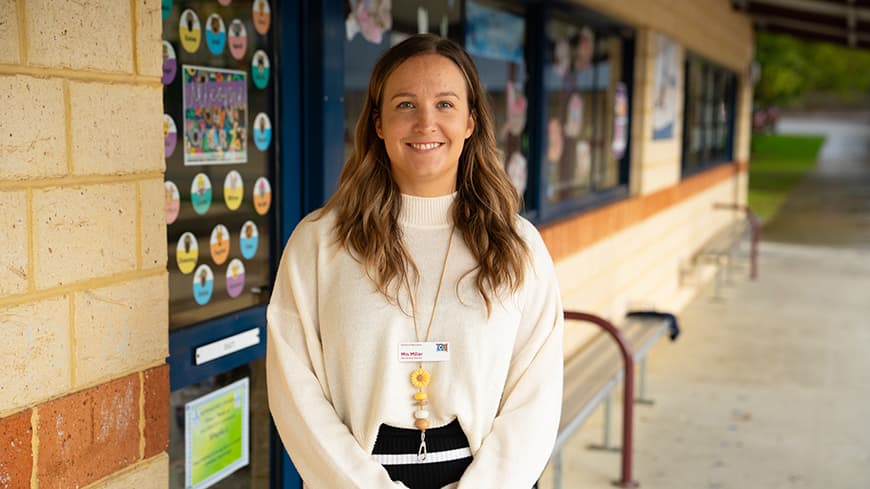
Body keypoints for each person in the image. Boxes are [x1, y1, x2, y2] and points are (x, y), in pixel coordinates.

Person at [267, 33, 564, 489]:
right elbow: (295, 390)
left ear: (470, 121)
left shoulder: (517, 246)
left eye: (445, 104)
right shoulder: (320, 243)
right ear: (378, 123)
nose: (426, 122)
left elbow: (536, 398)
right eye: (405, 104)